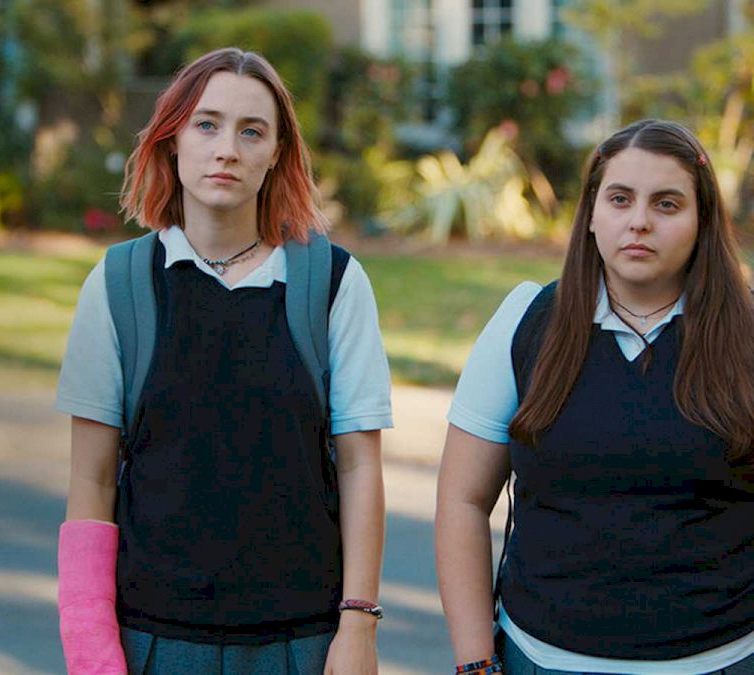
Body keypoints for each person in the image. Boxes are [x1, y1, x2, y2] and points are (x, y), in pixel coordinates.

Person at [55, 47, 393, 674]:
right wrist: (90, 651)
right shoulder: (119, 284)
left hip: (302, 644)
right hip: (153, 642)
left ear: (277, 153)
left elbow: (358, 466)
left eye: (251, 131)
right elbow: (92, 482)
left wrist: (359, 625)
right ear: (172, 139)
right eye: (206, 125)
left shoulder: (332, 283)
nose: (227, 150)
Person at [435, 118, 754, 675]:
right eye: (620, 199)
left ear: (703, 219)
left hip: (722, 661)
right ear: (590, 214)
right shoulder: (526, 320)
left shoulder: (746, 331)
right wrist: (475, 664)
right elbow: (462, 500)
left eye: (667, 204)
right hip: (543, 659)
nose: (639, 221)